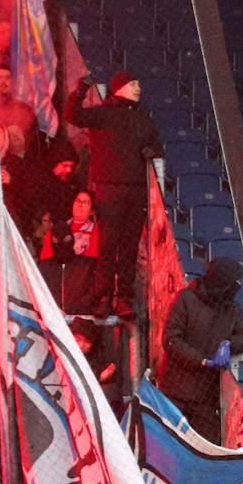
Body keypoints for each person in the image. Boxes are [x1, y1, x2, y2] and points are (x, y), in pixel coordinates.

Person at [70, 71, 164, 314]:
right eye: (133, 83)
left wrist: (152, 151)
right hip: (110, 188)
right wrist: (81, 91)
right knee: (108, 244)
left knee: (129, 245)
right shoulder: (104, 113)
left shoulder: (142, 118)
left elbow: (157, 145)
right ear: (119, 87)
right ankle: (103, 296)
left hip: (135, 188)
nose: (138, 87)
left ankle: (123, 297)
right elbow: (74, 115)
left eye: (138, 83)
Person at [159, 257, 243, 441]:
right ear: (223, 282)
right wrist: (201, 361)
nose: (237, 287)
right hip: (175, 394)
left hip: (206, 400)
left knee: (206, 448)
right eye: (234, 282)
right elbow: (171, 340)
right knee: (167, 446)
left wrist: (229, 344)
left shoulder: (230, 309)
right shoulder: (186, 299)